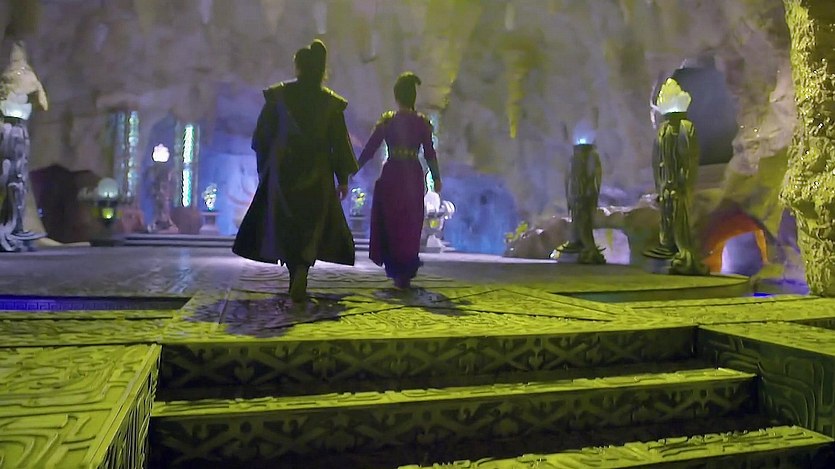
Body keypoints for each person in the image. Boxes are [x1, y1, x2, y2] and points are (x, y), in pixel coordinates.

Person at [233, 40, 358, 302]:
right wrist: (343, 178)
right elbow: (339, 143)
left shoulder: (279, 96)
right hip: (317, 172)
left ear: (298, 67)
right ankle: (300, 271)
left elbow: (262, 137)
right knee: (310, 225)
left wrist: (266, 168)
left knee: (287, 223)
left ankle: (295, 273)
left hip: (283, 172)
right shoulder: (330, 103)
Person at [357, 72, 442, 289]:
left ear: (397, 97)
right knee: (410, 222)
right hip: (412, 174)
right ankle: (405, 268)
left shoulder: (388, 122)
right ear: (413, 96)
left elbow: (370, 149)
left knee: (393, 221)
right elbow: (430, 153)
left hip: (393, 174)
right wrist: (436, 178)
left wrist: (353, 168)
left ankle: (397, 268)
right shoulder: (422, 123)